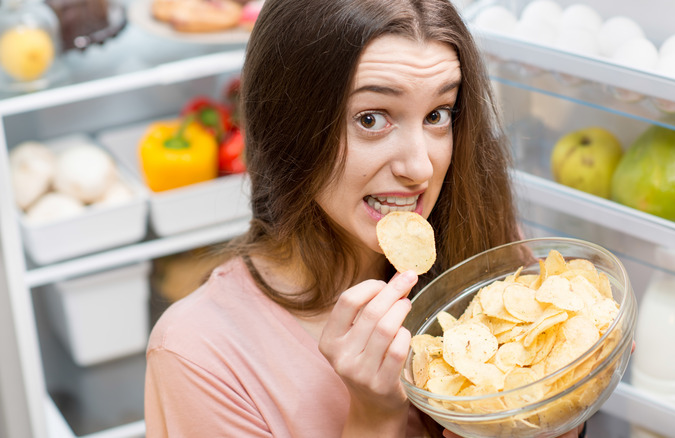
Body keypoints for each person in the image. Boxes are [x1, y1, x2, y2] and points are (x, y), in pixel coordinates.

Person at [144, 0, 586, 437]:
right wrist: (375, 419)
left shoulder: (483, 247)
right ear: (285, 125)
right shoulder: (198, 355)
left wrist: (561, 410)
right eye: (371, 119)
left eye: (437, 114)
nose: (420, 168)